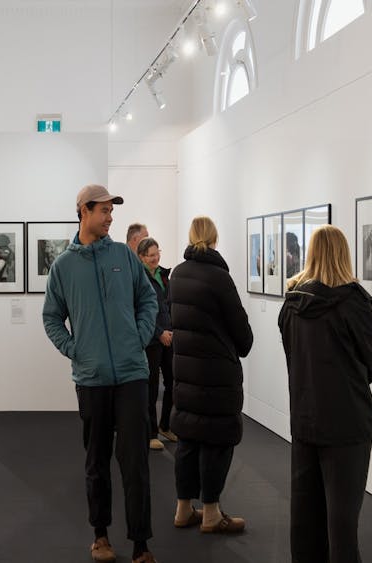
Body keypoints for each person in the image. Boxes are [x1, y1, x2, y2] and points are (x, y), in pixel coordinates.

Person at [43, 184, 159, 563]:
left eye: (112, 210)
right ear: (84, 211)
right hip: (92, 380)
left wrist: (140, 336)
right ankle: (101, 536)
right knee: (97, 463)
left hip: (131, 376)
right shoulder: (63, 267)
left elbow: (148, 298)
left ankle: (141, 543)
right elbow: (51, 318)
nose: (110, 217)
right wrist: (75, 350)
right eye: (104, 210)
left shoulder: (124, 256)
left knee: (135, 463)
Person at [278, 225, 372, 563]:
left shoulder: (292, 305)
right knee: (342, 526)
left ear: (310, 254)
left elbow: (292, 358)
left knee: (305, 522)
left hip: (305, 420)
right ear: (343, 254)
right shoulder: (354, 304)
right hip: (347, 424)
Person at [168, 216, 252, 535]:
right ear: (215, 239)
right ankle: (212, 514)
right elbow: (242, 335)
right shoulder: (219, 277)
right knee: (217, 439)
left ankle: (183, 509)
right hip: (217, 374)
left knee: (188, 438)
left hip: (185, 372)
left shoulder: (177, 274)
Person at [136, 237, 175, 451]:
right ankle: (151, 433)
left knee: (173, 382)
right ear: (141, 257)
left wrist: (171, 330)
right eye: (151, 255)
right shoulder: (138, 278)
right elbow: (140, 312)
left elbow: (167, 306)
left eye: (157, 253)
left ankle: (165, 425)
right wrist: (159, 333)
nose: (155, 258)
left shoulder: (163, 275)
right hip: (151, 340)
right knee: (151, 388)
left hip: (169, 337)